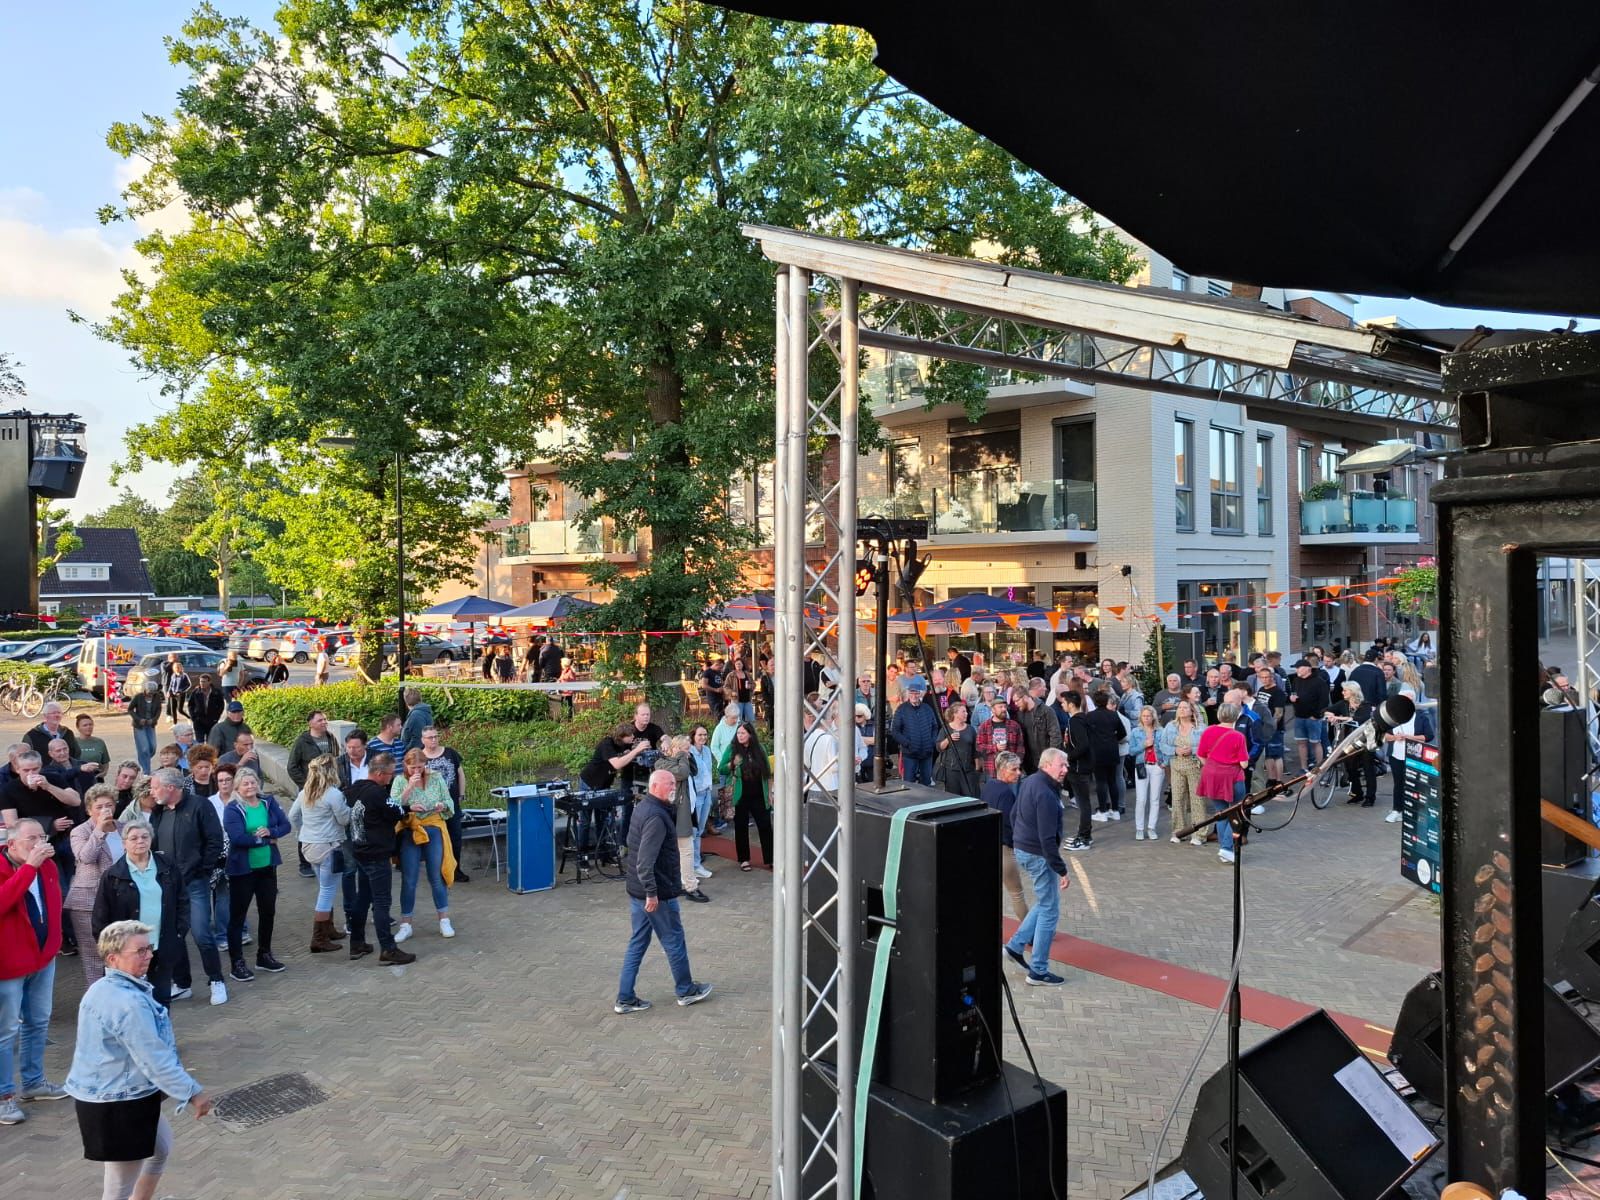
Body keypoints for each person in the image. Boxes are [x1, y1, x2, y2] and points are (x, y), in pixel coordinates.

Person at [64, 919, 213, 1200]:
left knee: (160, 1149)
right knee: (118, 1188)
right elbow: (154, 1059)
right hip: (118, 1105)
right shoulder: (128, 1003)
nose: (149, 955)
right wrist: (193, 1092)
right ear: (113, 958)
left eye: (149, 948)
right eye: (140, 951)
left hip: (117, 1096)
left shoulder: (102, 988)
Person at [613, 768, 714, 1014]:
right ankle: (686, 991)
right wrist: (651, 892)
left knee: (638, 942)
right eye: (669, 784)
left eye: (674, 784)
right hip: (656, 894)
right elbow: (644, 861)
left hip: (638, 891)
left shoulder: (644, 808)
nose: (673, 788)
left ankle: (625, 998)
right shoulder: (656, 817)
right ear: (655, 786)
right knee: (674, 941)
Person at [0, 818, 67, 1125]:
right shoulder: (17, 867)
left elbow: (53, 906)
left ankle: (33, 1082)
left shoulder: (48, 867)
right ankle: (4, 1097)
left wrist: (54, 942)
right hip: (8, 965)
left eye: (42, 837)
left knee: (38, 1021)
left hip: (42, 959)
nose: (40, 843)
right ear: (12, 843)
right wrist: (28, 868)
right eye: (32, 838)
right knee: (5, 1032)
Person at [146, 767, 227, 1006]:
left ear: (170, 788)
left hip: (194, 883)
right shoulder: (158, 811)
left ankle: (216, 980)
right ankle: (182, 984)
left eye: (155, 787)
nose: (152, 792)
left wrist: (202, 870)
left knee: (202, 933)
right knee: (174, 936)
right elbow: (153, 844)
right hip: (167, 885)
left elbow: (215, 840)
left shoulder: (200, 806)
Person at [90, 817, 184, 1008]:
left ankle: (161, 1029)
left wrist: (179, 932)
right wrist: (111, 949)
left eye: (144, 837)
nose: (140, 841)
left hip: (161, 944)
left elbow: (183, 900)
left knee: (161, 999)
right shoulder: (113, 875)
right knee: (130, 1002)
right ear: (124, 843)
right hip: (128, 950)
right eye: (133, 838)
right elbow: (100, 915)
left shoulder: (167, 866)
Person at [1001, 748, 1072, 987]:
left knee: (1045, 902)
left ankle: (1015, 946)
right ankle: (1038, 970)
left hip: (1024, 849)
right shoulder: (1046, 794)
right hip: (1039, 855)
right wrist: (1061, 869)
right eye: (1061, 765)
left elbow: (1014, 815)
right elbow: (1047, 839)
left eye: (1066, 765)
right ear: (1047, 765)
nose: (1066, 769)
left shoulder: (1030, 781)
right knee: (1050, 910)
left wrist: (1020, 840)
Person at [343, 753, 415, 964]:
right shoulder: (377, 793)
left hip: (360, 850)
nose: (391, 778)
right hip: (376, 853)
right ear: (380, 773)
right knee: (382, 902)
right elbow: (396, 812)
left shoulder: (355, 788)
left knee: (362, 898)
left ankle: (357, 943)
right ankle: (388, 949)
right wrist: (407, 808)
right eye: (390, 774)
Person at [221, 767, 291, 981]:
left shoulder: (268, 802)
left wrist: (272, 832)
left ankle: (264, 955)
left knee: (268, 911)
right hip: (243, 870)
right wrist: (265, 840)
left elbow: (285, 825)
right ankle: (237, 963)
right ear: (237, 787)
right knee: (238, 916)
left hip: (267, 867)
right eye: (245, 784)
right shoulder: (233, 809)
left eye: (253, 782)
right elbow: (237, 838)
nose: (250, 786)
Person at [393, 748, 456, 944]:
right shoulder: (399, 780)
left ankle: (444, 920)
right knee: (409, 878)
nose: (417, 771)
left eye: (420, 767)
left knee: (436, 875)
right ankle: (406, 925)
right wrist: (409, 791)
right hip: (411, 829)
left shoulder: (436, 778)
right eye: (413, 768)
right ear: (406, 765)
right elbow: (393, 805)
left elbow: (449, 801)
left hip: (433, 827)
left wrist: (442, 806)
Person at [289, 755, 351, 953]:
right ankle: (318, 938)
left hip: (308, 845)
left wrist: (303, 831)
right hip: (328, 847)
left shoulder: (305, 792)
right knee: (327, 891)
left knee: (324, 888)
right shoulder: (333, 794)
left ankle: (328, 929)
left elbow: (293, 816)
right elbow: (344, 820)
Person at [67, 786, 124, 986]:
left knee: (122, 950)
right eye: (99, 807)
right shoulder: (80, 831)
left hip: (122, 898)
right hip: (88, 901)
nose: (105, 810)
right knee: (94, 955)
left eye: (109, 805)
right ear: (89, 810)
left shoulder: (124, 828)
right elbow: (86, 857)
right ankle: (98, 998)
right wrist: (99, 830)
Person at [1197, 702, 1250, 864]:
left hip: (1211, 775)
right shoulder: (1238, 736)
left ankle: (1224, 848)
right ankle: (1226, 848)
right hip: (1231, 777)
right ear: (1235, 717)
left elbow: (1201, 755)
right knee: (1237, 811)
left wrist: (1213, 765)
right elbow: (1244, 764)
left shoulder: (1208, 731)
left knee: (1221, 812)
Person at [658, 735, 708, 903]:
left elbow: (693, 770)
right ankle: (690, 887)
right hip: (676, 815)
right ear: (676, 749)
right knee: (686, 851)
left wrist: (687, 755)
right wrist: (681, 755)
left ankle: (679, 883)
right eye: (686, 749)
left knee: (680, 851)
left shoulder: (683, 760)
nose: (688, 753)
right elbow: (682, 773)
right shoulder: (663, 763)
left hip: (686, 813)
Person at [980, 752, 1028, 921]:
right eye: (1014, 769)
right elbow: (1009, 823)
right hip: (1004, 850)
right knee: (1017, 894)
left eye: (1018, 769)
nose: (1018, 773)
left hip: (988, 846)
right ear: (1002, 770)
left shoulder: (989, 786)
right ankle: (1029, 931)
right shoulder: (1006, 793)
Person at [719, 721, 773, 871]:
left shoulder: (759, 749)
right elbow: (721, 769)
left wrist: (770, 793)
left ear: (750, 734)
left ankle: (770, 858)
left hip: (759, 794)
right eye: (738, 733)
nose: (740, 735)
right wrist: (732, 764)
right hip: (740, 795)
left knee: (765, 826)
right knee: (741, 827)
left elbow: (767, 773)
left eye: (743, 733)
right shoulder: (732, 749)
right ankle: (744, 859)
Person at [419, 726, 469, 883]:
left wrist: (461, 794)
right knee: (436, 840)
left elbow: (460, 774)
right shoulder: (420, 757)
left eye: (436, 736)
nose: (434, 740)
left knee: (455, 837)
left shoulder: (450, 753)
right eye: (430, 737)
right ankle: (437, 871)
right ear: (423, 740)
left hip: (451, 804)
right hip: (431, 809)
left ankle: (455, 870)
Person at [1162, 700, 1206, 847]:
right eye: (1180, 707)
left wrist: (1193, 750)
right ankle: (1179, 831)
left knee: (1197, 800)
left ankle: (1199, 834)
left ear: (1192, 710)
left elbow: (1207, 746)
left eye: (1185, 707)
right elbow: (1162, 744)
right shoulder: (1171, 726)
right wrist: (1175, 750)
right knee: (1177, 799)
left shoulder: (1200, 728)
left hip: (1195, 766)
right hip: (1176, 765)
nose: (1181, 710)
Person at [1328, 681, 1378, 807]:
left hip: (1366, 740)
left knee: (1368, 767)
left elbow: (1361, 719)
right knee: (1350, 767)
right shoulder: (1343, 704)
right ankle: (1357, 793)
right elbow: (1326, 710)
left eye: (1345, 690)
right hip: (1350, 741)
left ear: (1353, 691)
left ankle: (1370, 797)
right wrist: (1330, 715)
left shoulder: (1365, 705)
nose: (1342, 692)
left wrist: (1341, 718)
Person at [1381, 686, 1425, 825]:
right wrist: (1395, 737)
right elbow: (1384, 735)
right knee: (1398, 783)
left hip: (1414, 756)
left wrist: (1410, 737)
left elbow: (1428, 736)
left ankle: (1413, 810)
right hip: (1396, 755)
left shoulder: (1421, 716)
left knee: (1414, 784)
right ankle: (1397, 809)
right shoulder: (1392, 717)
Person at [1126, 705, 1168, 841]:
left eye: (1148, 716)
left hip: (1157, 766)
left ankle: (1151, 827)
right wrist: (1143, 745)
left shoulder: (1161, 731)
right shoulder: (1135, 731)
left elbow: (1166, 748)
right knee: (1141, 799)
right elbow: (1131, 751)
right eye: (1144, 716)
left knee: (1155, 799)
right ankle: (1139, 828)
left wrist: (1165, 763)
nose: (1146, 718)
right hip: (1141, 766)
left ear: (1153, 717)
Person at [1084, 689, 1125, 823]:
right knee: (1112, 780)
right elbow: (1122, 733)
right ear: (1107, 701)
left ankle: (1103, 811)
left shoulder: (1090, 716)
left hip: (1097, 752)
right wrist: (1112, 739)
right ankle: (1115, 810)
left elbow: (1086, 734)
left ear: (1095, 702)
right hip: (1112, 750)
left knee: (1101, 782)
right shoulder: (1113, 715)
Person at [890, 677, 940, 785]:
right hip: (910, 754)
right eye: (911, 693)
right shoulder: (901, 709)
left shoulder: (927, 708)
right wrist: (907, 743)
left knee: (926, 782)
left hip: (927, 753)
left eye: (916, 693)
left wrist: (932, 742)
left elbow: (935, 727)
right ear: (908, 694)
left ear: (920, 694)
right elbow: (895, 731)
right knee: (909, 783)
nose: (914, 695)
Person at [1287, 659, 1331, 774]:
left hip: (1313, 718)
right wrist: (1291, 698)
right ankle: (1304, 767)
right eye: (1296, 668)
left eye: (1299, 668)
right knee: (1301, 743)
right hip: (1299, 716)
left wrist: (1316, 715)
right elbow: (1293, 693)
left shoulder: (1319, 682)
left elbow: (1324, 701)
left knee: (1316, 742)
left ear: (1308, 668)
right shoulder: (1296, 680)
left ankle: (1319, 768)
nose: (1296, 670)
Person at [686, 724, 716, 881]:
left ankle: (696, 865)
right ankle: (691, 866)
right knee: (693, 831)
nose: (703, 737)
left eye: (705, 734)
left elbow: (709, 771)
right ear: (693, 736)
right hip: (695, 795)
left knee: (700, 830)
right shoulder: (688, 752)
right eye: (700, 735)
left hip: (706, 793)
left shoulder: (707, 750)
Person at [934, 702, 981, 796]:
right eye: (963, 712)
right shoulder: (946, 729)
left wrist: (977, 769)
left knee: (970, 796)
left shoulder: (970, 729)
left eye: (966, 711)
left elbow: (975, 751)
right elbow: (939, 747)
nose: (966, 714)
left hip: (968, 770)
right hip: (951, 770)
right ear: (955, 714)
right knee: (954, 797)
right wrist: (948, 739)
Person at [184, 673, 223, 743]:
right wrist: (193, 718)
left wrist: (216, 717)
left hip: (211, 721)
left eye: (204, 682)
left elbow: (221, 705)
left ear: (209, 682)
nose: (202, 683)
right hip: (199, 721)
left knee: (210, 742)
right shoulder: (196, 692)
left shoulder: (216, 693)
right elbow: (190, 705)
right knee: (199, 743)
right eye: (201, 681)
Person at [74, 713, 111, 780]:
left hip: (96, 778)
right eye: (85, 725)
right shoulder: (73, 742)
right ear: (78, 728)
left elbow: (105, 762)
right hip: (78, 778)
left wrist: (104, 773)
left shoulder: (99, 742)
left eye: (90, 724)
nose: (88, 727)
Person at [400, 687, 434, 752]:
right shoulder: (423, 711)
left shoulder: (416, 715)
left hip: (415, 754)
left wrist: (407, 751)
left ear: (406, 701)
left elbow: (418, 738)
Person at [163, 661, 190, 726]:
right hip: (173, 694)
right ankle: (175, 724)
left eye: (178, 667)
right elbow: (171, 684)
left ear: (181, 668)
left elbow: (188, 685)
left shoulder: (184, 676)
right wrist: (168, 692)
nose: (177, 669)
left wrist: (182, 691)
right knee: (173, 710)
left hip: (180, 694)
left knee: (180, 710)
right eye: (175, 667)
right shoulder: (173, 675)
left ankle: (189, 718)